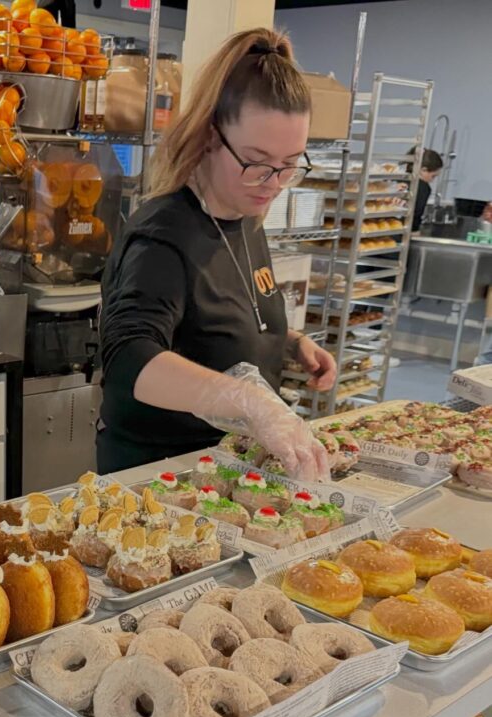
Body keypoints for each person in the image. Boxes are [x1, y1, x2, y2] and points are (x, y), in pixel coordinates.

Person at [97, 28, 334, 481]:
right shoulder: (162, 236)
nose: (273, 183)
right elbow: (130, 358)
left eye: (289, 165)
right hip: (160, 478)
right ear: (210, 137)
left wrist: (291, 344)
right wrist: (253, 402)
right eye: (257, 162)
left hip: (227, 472)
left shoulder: (246, 217)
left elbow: (216, 323)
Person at [411, 148, 443, 231]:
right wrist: (415, 231)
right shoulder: (423, 187)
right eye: (433, 176)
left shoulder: (397, 179)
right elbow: (416, 214)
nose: (432, 180)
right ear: (423, 170)